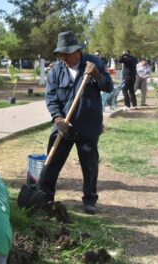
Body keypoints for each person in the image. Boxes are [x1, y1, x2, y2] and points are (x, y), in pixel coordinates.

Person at [36, 31, 113, 215]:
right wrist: (58, 118)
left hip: (88, 126)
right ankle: (46, 197)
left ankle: (90, 200)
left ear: (77, 51)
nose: (63, 57)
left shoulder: (93, 63)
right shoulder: (56, 70)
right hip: (64, 127)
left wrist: (96, 74)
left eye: (66, 53)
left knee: (89, 165)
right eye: (60, 54)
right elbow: (51, 97)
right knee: (52, 161)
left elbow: (108, 86)